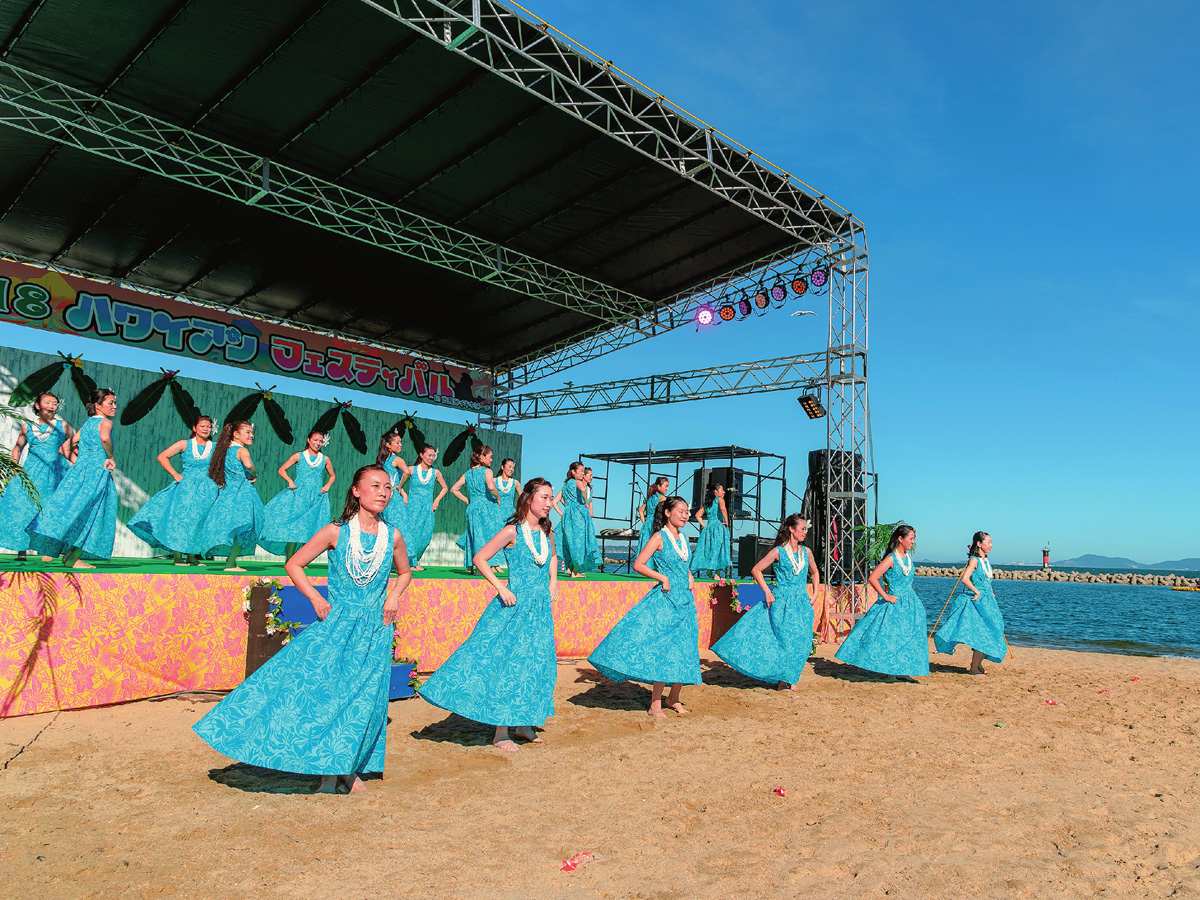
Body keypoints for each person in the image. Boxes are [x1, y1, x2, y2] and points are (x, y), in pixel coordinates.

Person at [193, 465, 412, 794]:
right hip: (337, 626)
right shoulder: (335, 532)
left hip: (375, 628)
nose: (383, 492)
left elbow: (405, 573)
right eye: (375, 485)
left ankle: (348, 769)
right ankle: (327, 773)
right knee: (326, 695)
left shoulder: (392, 535)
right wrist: (315, 598)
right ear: (356, 490)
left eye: (387, 487)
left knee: (364, 700)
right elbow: (293, 564)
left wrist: (393, 595)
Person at [418, 478, 559, 752]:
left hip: (540, 610)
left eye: (551, 498)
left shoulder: (547, 531)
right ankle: (501, 732)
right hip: (514, 607)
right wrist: (500, 587)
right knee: (507, 665)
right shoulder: (512, 531)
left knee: (535, 664)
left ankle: (523, 723)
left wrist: (554, 581)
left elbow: (552, 557)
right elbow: (480, 558)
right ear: (529, 498)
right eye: (544, 497)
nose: (549, 503)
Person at [588, 496, 700, 717]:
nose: (686, 515)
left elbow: (682, 563)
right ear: (668, 513)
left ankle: (673, 698)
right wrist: (662, 578)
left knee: (685, 649)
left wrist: (689, 575)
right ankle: (655, 704)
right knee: (663, 650)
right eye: (681, 511)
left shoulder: (684, 538)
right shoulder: (659, 537)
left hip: (686, 601)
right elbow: (639, 564)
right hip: (666, 600)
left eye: (687, 511)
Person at [712, 514, 820, 690]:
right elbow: (756, 570)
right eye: (802, 529)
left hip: (801, 603)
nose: (805, 533)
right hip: (782, 602)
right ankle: (782, 680)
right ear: (792, 529)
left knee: (802, 641)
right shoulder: (778, 551)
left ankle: (790, 678)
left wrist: (815, 593)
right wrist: (768, 593)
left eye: (806, 530)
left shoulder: (806, 552)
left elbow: (815, 572)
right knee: (784, 642)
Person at [26, 388, 118, 568]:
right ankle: (72, 558)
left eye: (114, 402)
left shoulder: (87, 424)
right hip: (98, 472)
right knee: (93, 512)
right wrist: (110, 457)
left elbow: (63, 448)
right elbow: (105, 439)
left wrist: (80, 462)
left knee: (76, 509)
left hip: (80, 472)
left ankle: (70, 556)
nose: (114, 406)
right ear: (98, 406)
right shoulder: (105, 423)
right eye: (110, 403)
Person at [834, 524, 929, 682]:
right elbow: (873, 577)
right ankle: (890, 672)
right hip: (894, 602)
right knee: (891, 637)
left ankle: (902, 669)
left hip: (910, 603)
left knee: (907, 637)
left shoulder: (908, 558)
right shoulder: (891, 558)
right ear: (900, 539)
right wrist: (885, 596)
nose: (913, 542)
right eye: (911, 539)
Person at [127, 414, 219, 565]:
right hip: (186, 487)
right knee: (181, 520)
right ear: (194, 428)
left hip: (206, 490)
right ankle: (177, 556)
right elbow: (163, 456)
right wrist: (175, 474)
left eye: (209, 426)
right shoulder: (185, 444)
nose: (206, 429)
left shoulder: (214, 447)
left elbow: (223, 464)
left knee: (197, 521)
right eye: (202, 426)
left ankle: (191, 556)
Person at [0, 392, 72, 561]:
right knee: (23, 508)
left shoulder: (64, 426)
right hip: (31, 472)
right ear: (38, 406)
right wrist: (15, 467)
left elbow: (73, 447)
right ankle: (21, 550)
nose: (52, 406)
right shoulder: (27, 426)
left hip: (56, 474)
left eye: (55, 403)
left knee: (51, 510)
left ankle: (48, 551)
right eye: (47, 402)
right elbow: (18, 447)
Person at [933, 531, 1008, 675]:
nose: (991, 545)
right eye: (988, 542)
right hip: (977, 601)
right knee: (984, 633)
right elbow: (965, 579)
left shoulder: (985, 560)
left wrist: (990, 591)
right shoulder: (974, 560)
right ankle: (974, 667)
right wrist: (977, 591)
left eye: (991, 542)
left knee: (995, 630)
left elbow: (987, 580)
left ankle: (977, 664)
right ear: (979, 544)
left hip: (988, 602)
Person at [198, 421, 264, 571]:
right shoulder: (242, 451)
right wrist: (254, 473)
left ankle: (231, 562)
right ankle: (230, 562)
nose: (251, 435)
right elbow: (248, 466)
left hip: (228, 493)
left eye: (252, 432)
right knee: (245, 526)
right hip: (242, 492)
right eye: (247, 432)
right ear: (236, 434)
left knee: (236, 526)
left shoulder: (225, 451)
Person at [259, 430, 335, 560]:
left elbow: (332, 475)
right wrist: (290, 481)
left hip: (316, 498)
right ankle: (289, 559)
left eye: (321, 441)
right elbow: (281, 469)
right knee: (294, 529)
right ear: (308, 440)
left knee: (310, 530)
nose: (318, 443)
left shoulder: (325, 459)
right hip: (299, 496)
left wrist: (327, 485)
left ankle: (303, 560)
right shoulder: (299, 456)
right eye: (315, 440)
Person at [450, 444, 505, 574]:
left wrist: (466, 500)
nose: (491, 460)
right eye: (490, 457)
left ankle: (471, 565)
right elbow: (491, 487)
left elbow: (454, 489)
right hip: (486, 506)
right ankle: (484, 566)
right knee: (490, 536)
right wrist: (498, 497)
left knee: (473, 535)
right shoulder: (487, 471)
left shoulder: (468, 473)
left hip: (473, 507)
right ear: (482, 457)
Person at [397, 444, 448, 570]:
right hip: (413, 508)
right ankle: (412, 562)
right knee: (412, 534)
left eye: (433, 456)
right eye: (429, 455)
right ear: (421, 455)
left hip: (428, 508)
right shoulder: (411, 470)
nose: (431, 458)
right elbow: (399, 486)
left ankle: (417, 559)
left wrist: (436, 500)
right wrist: (404, 496)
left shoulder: (435, 472)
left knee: (425, 535)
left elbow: (445, 487)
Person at [554, 462, 601, 578]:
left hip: (569, 515)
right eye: (580, 471)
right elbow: (583, 491)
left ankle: (572, 569)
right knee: (579, 543)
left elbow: (555, 501)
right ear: (573, 472)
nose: (582, 473)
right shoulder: (578, 482)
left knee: (571, 543)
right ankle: (574, 571)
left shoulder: (565, 486)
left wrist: (563, 513)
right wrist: (585, 503)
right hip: (578, 515)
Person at [691, 483, 732, 577]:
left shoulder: (707, 503)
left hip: (709, 527)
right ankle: (717, 573)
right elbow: (723, 509)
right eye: (722, 490)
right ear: (716, 492)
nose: (724, 492)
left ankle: (710, 570)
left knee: (711, 549)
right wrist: (726, 521)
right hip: (718, 526)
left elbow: (697, 515)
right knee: (719, 549)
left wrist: (705, 526)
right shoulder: (720, 500)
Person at [375, 430, 410, 535]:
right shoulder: (397, 459)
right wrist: (400, 486)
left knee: (384, 524)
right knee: (398, 526)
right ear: (388, 445)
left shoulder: (382, 459)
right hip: (393, 497)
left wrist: (403, 492)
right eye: (397, 443)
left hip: (383, 494)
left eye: (401, 442)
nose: (400, 445)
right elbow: (407, 472)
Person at [635, 477, 669, 557]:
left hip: (647, 525)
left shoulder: (650, 499)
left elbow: (640, 510)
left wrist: (644, 522)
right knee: (656, 549)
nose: (667, 488)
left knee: (646, 547)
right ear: (659, 487)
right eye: (666, 486)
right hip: (656, 524)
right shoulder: (662, 498)